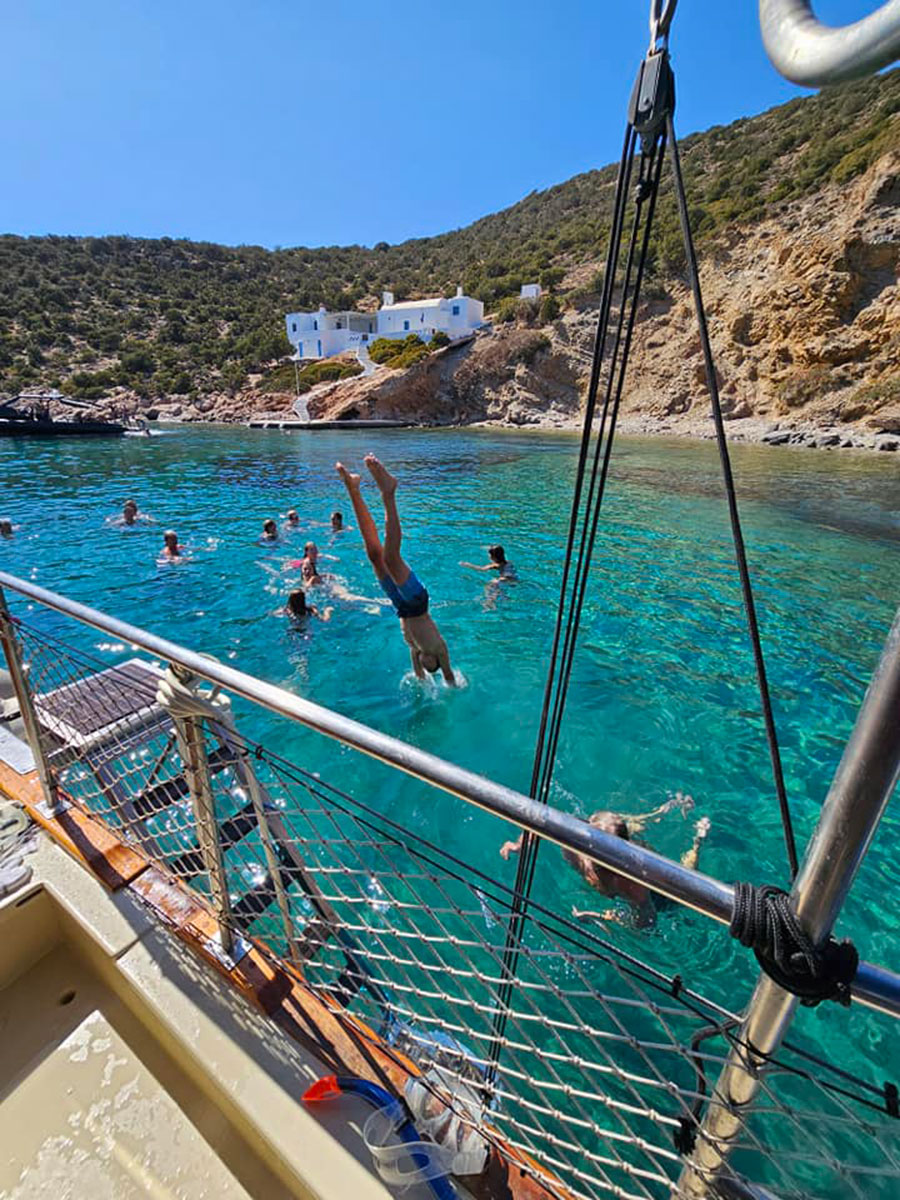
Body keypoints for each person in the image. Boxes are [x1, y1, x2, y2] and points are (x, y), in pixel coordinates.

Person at [500, 798, 710, 929]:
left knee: (685, 883)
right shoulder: (574, 837)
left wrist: (602, 917)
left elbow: (647, 921)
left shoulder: (630, 882)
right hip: (625, 846)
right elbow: (542, 822)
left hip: (654, 883)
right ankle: (659, 813)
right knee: (625, 826)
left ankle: (698, 840)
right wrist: (519, 845)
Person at [336, 455, 455, 684]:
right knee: (391, 558)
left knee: (374, 554)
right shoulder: (439, 648)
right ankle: (388, 491)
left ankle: (353, 487)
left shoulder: (415, 649)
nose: (425, 665)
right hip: (417, 603)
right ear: (437, 665)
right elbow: (449, 678)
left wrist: (422, 684)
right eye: (431, 668)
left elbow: (419, 676)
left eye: (423, 666)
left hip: (399, 605)